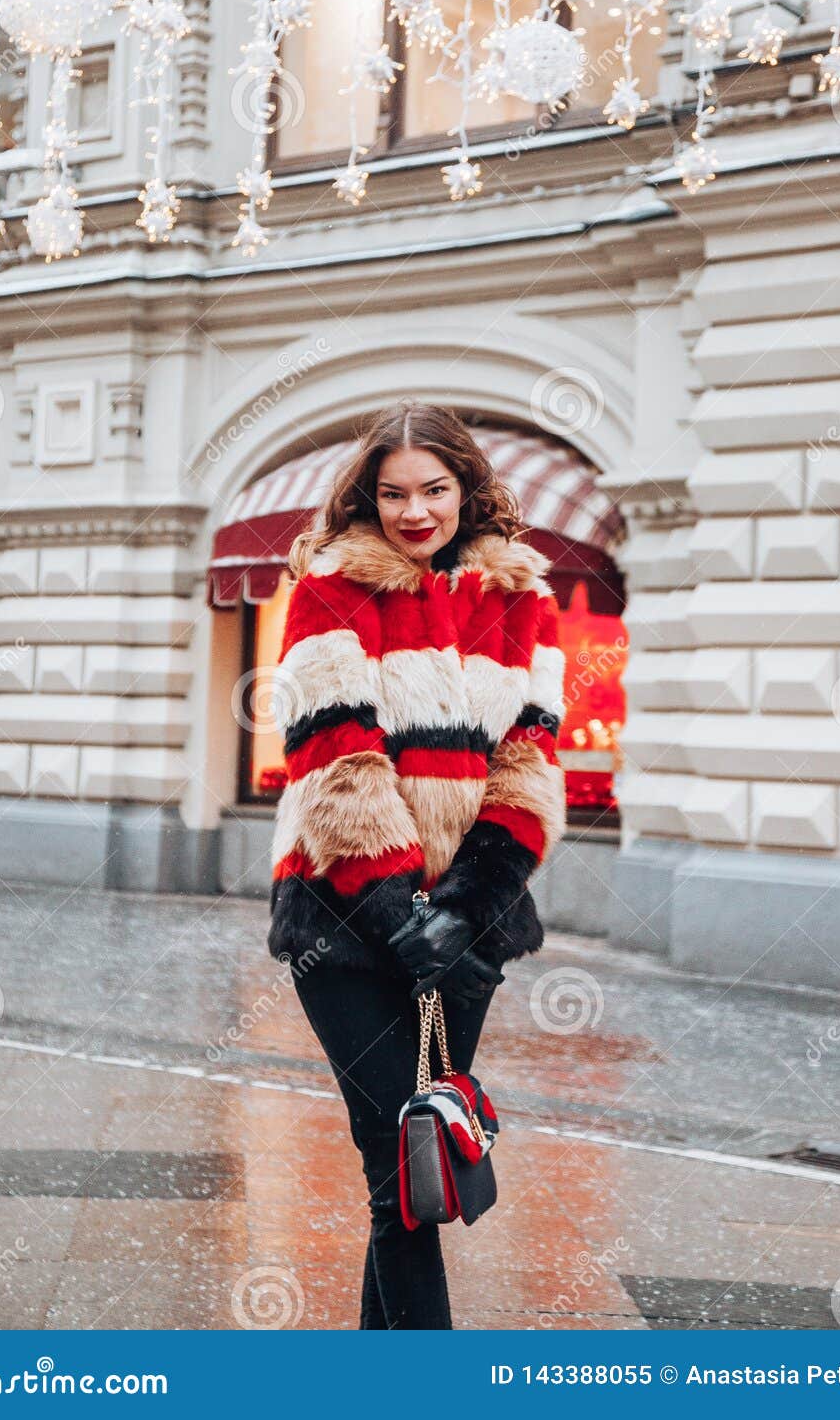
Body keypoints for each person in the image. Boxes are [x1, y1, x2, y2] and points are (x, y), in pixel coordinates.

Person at [266, 400, 567, 1329]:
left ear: (465, 491)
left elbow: (528, 763)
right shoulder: (330, 590)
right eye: (392, 493)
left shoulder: (522, 599)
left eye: (433, 489)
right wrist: (402, 918)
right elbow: (337, 756)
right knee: (397, 1169)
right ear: (369, 497)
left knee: (415, 1163)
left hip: (467, 928)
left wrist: (466, 907)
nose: (413, 510)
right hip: (343, 922)